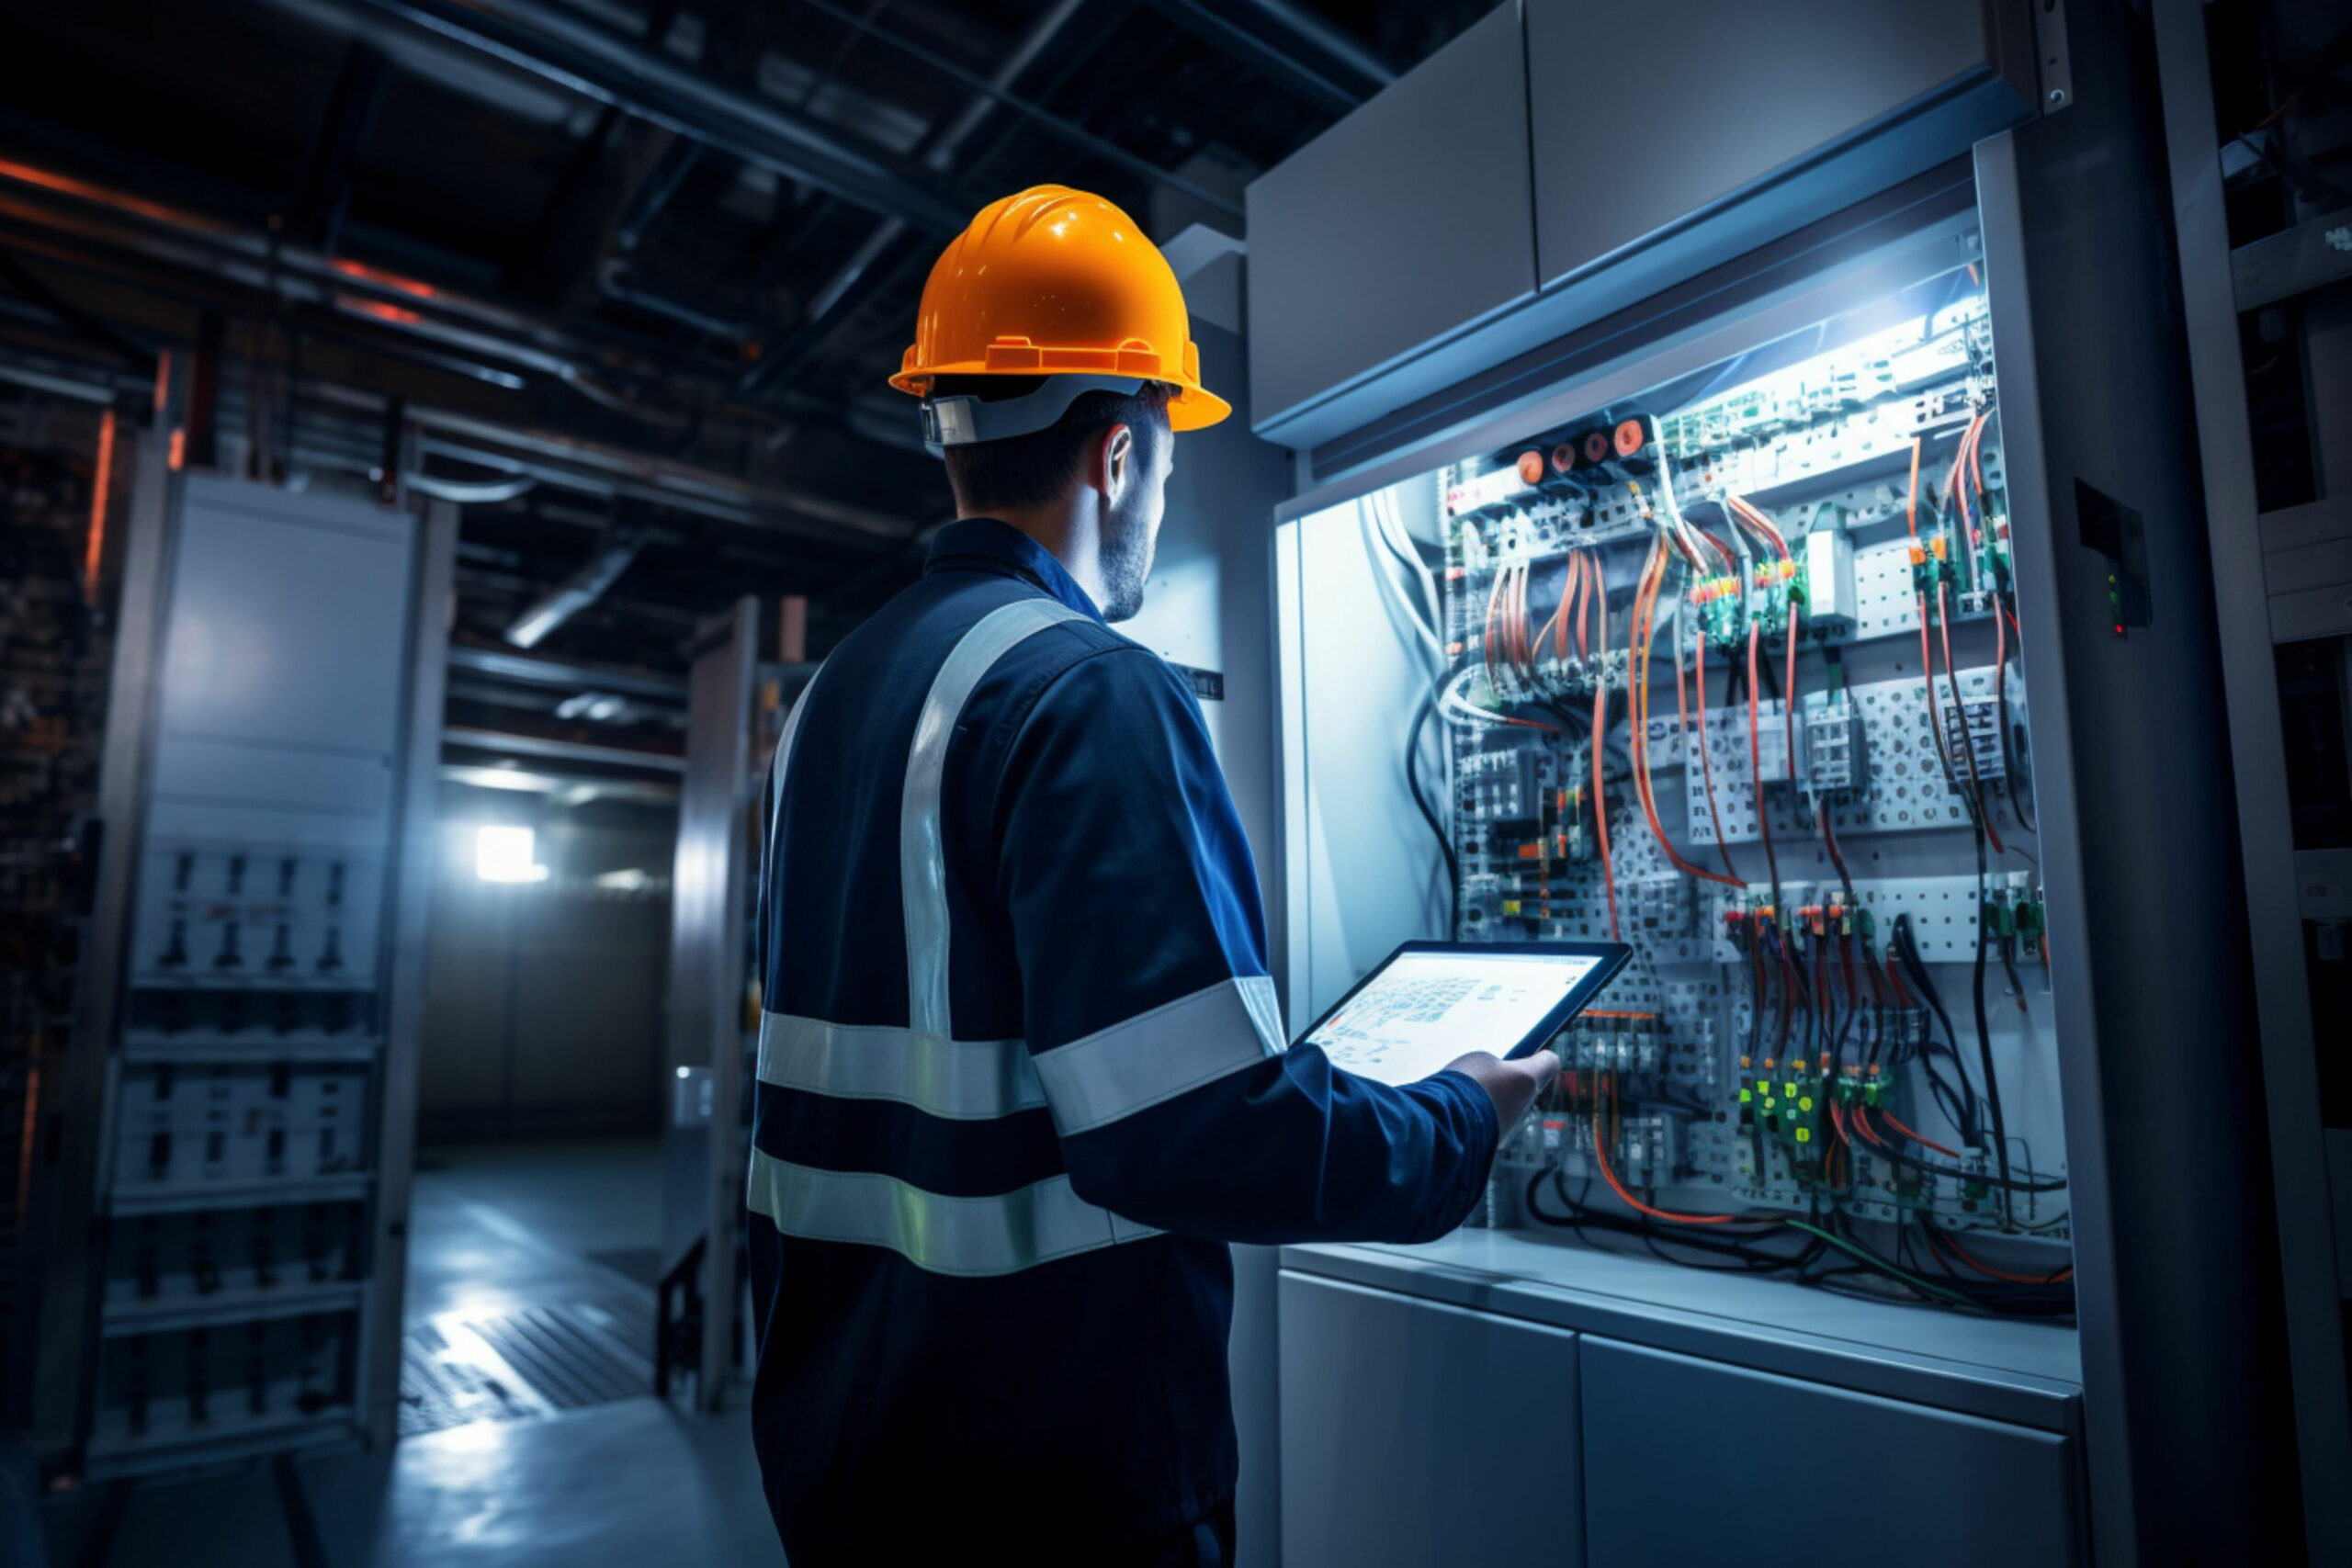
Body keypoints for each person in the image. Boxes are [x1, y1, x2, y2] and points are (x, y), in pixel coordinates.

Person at [747, 185, 1557, 1567]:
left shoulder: (838, 693)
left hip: (847, 1461)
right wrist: (1458, 1123)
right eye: (1167, 464)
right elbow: (1196, 1135)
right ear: (1117, 458)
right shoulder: (1087, 689)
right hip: (1055, 1483)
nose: (1161, 496)